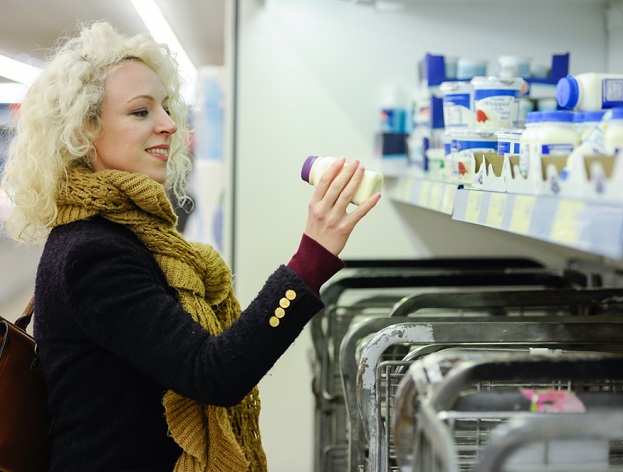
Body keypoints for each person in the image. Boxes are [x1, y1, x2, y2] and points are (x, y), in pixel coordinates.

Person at [0, 21, 380, 472]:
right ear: (84, 133)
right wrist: (311, 258)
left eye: (165, 107)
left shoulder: (124, 232)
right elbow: (212, 372)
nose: (168, 124)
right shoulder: (92, 252)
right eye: (141, 112)